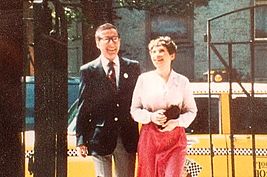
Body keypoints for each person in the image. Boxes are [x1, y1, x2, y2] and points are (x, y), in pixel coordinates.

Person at [75, 23, 140, 177]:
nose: (112, 43)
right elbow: (83, 106)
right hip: (100, 137)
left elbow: (140, 100)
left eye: (115, 39)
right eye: (107, 39)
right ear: (98, 43)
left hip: (126, 136)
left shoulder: (132, 67)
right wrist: (81, 140)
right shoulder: (88, 71)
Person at [130, 36, 198, 177]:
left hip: (175, 138)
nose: (157, 55)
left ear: (172, 55)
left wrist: (176, 122)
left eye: (162, 51)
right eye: (153, 52)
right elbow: (134, 110)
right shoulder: (144, 79)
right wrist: (151, 116)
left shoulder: (182, 81)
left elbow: (192, 111)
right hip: (150, 138)